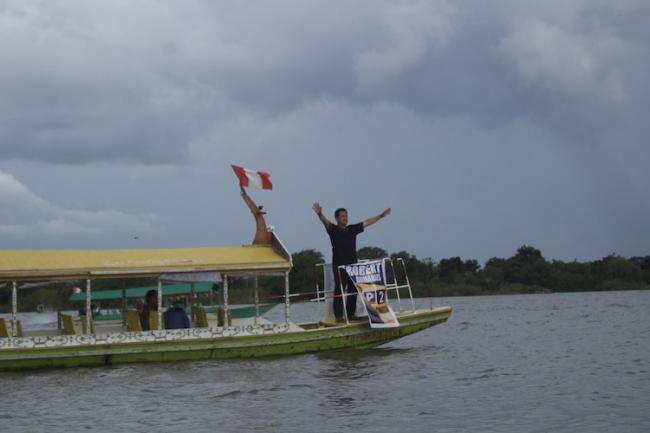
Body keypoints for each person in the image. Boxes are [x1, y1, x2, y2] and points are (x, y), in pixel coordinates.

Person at [313, 203, 391, 321]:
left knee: (353, 290)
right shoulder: (333, 229)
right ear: (337, 218)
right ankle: (339, 316)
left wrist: (380, 216)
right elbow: (325, 222)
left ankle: (350, 314)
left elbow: (367, 222)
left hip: (353, 267)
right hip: (339, 266)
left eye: (346, 216)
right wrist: (320, 214)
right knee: (339, 290)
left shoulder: (352, 229)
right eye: (343, 216)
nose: (345, 218)